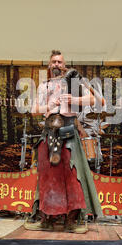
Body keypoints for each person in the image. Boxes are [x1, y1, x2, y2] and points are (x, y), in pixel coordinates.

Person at [25, 50, 102, 233]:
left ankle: (72, 221)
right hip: (49, 132)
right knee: (47, 178)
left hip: (68, 132)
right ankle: (46, 220)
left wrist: (74, 99)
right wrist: (48, 106)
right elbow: (35, 109)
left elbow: (94, 100)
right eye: (54, 62)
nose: (57, 65)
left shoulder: (73, 83)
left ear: (64, 65)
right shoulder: (44, 86)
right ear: (49, 65)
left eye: (60, 62)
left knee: (72, 177)